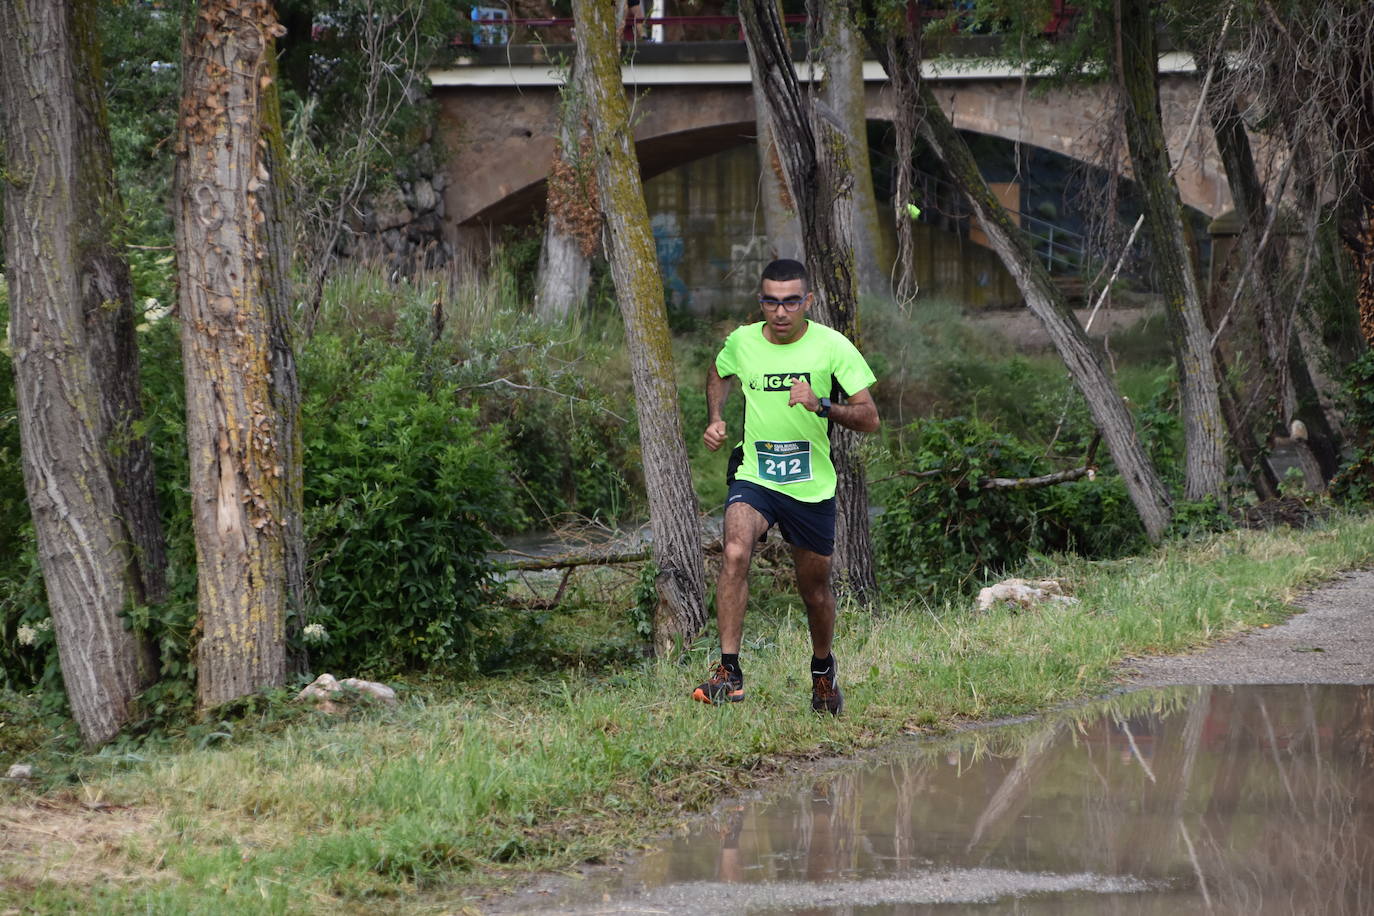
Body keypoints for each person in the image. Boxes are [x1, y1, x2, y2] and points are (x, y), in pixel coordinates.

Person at [697, 258, 880, 714]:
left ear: (808, 302)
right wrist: (716, 418)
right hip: (756, 474)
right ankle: (729, 672)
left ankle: (822, 673)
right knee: (736, 552)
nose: (780, 312)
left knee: (814, 590)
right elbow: (720, 372)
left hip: (810, 485)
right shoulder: (743, 341)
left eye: (791, 302)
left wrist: (821, 404)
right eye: (771, 302)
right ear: (761, 302)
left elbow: (869, 418)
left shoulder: (833, 347)